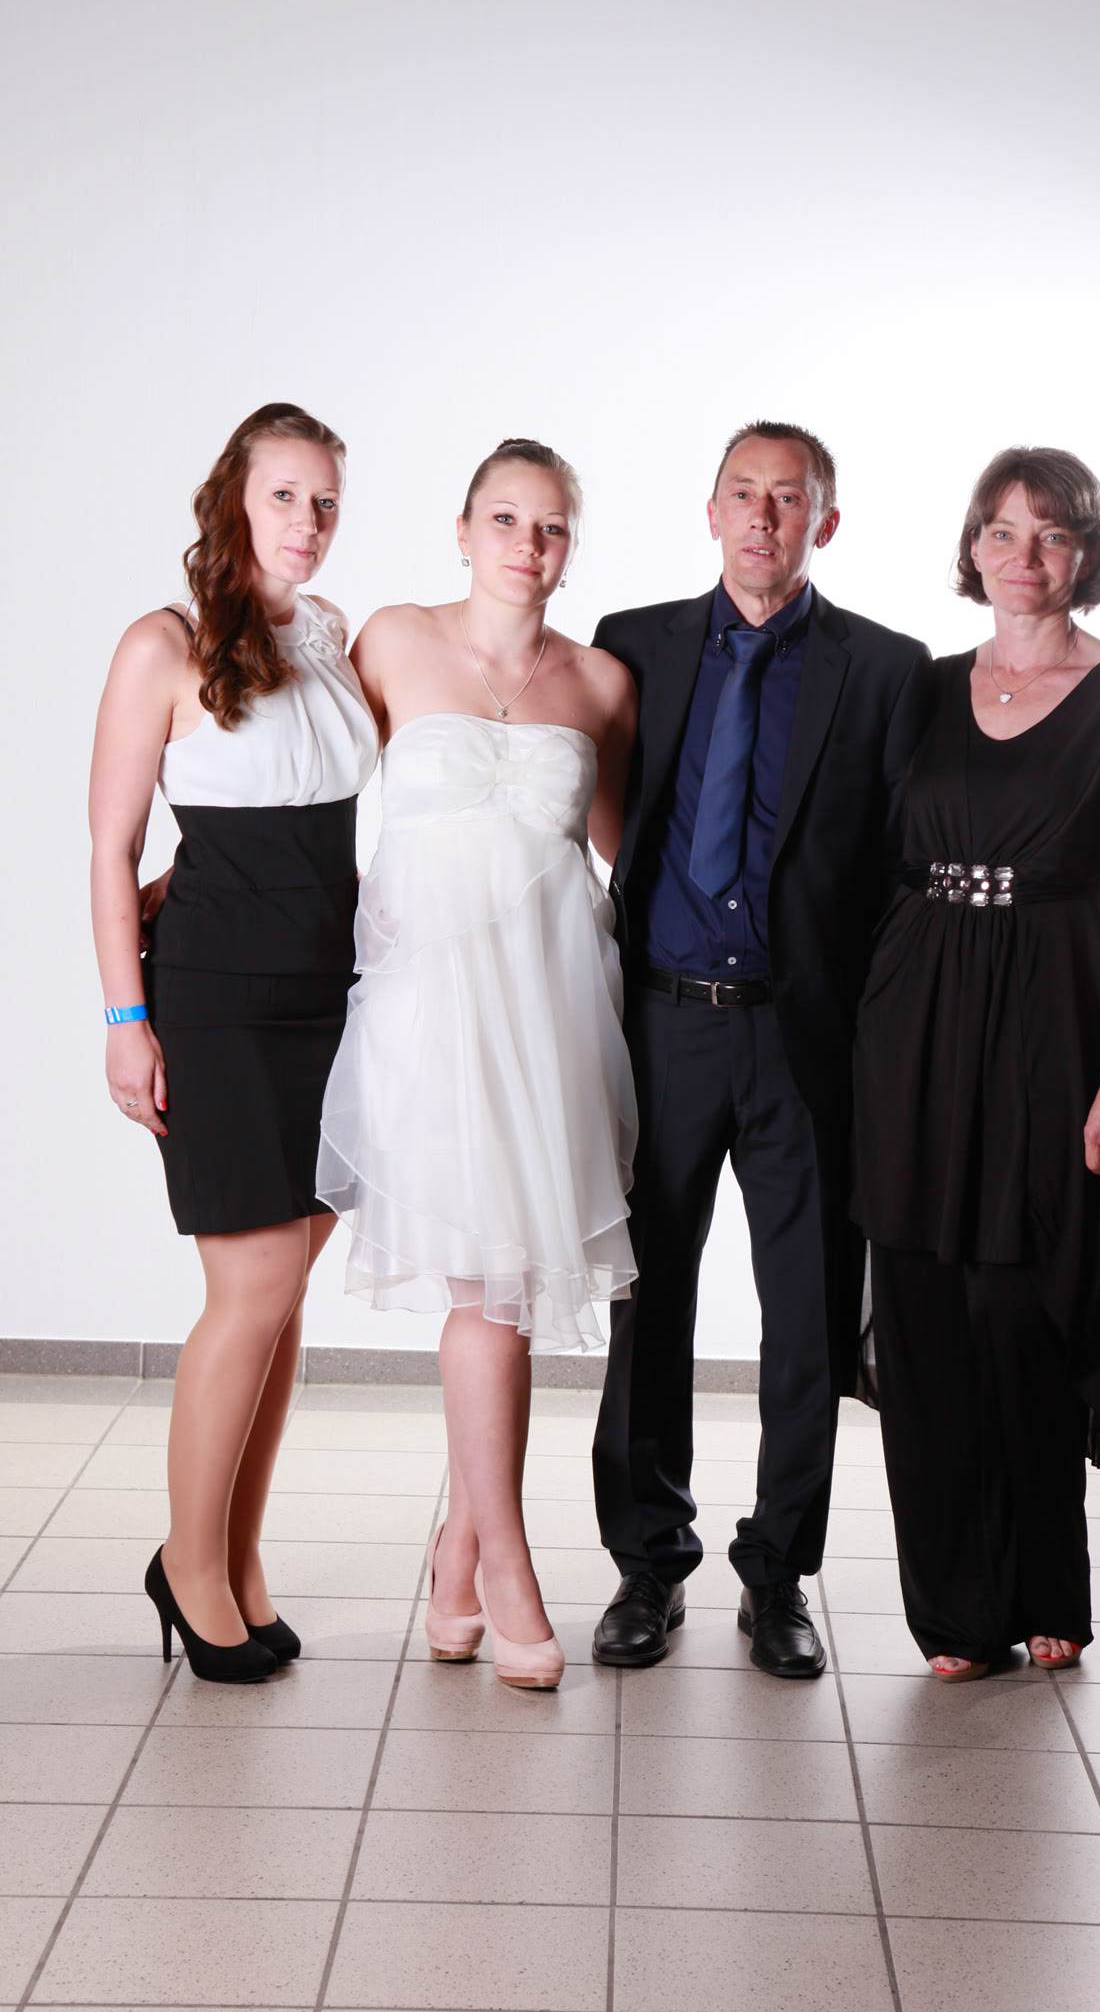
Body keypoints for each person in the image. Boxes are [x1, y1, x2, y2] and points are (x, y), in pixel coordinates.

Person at [851, 446, 1100, 1681]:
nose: (1024, 554)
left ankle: (1046, 1581)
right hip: (911, 1015)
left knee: (1026, 1305)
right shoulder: (922, 687)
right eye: (1001, 530)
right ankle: (955, 1610)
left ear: (1086, 553)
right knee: (923, 1309)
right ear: (972, 546)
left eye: (1052, 533)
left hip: (1054, 1014)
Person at [590, 421, 930, 1678]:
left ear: (824, 522)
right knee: (650, 1303)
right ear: (711, 509)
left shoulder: (885, 669)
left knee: (809, 1318)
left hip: (804, 1039)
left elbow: (898, 872)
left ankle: (779, 1570)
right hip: (664, 1024)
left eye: (790, 499)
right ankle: (647, 1563)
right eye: (744, 493)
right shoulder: (633, 645)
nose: (764, 518)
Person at [317, 438, 637, 1691]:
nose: (527, 544)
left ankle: (457, 1552)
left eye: (550, 526)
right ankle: (507, 1563)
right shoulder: (394, 639)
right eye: (505, 518)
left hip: (550, 1022)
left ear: (572, 546)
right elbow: (303, 790)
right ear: (462, 529)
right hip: (428, 1014)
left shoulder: (601, 682)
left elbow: (629, 852)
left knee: (499, 1290)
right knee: (487, 1290)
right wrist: (186, 882)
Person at [89, 402, 378, 1682]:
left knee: (284, 1299)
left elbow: (320, 819)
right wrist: (125, 1019)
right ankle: (188, 1567)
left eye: (326, 500)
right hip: (218, 1004)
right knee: (248, 1291)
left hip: (334, 991)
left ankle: (238, 1557)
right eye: (285, 496)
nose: (308, 521)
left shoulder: (329, 632)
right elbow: (110, 849)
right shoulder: (161, 643)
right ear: (233, 498)